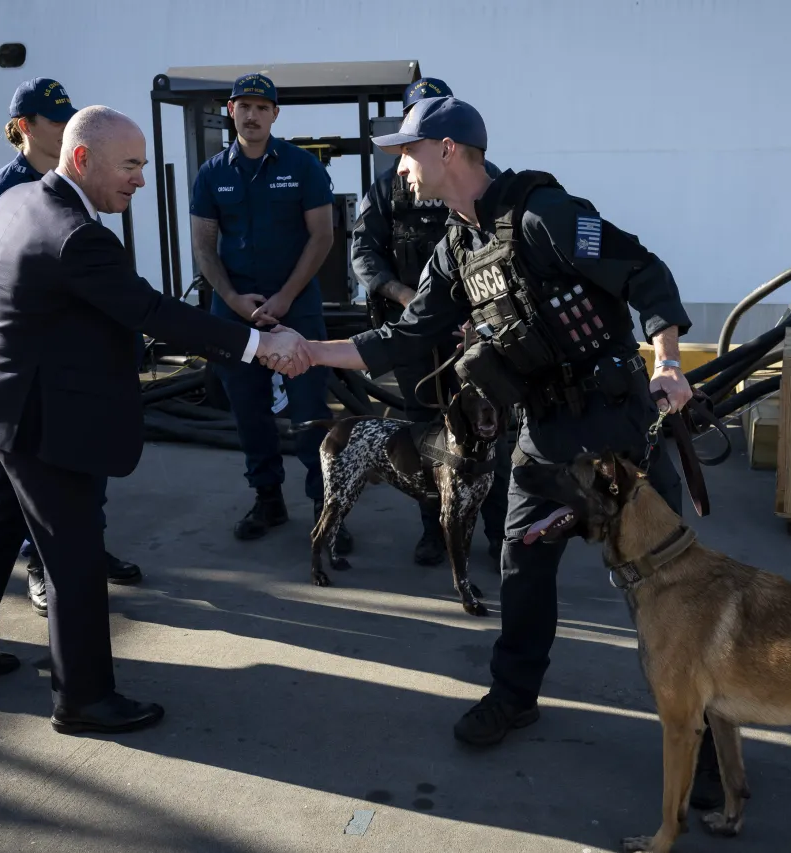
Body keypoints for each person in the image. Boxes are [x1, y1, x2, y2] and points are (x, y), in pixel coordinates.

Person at [293, 96, 723, 807]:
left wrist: (668, 361)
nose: (399, 167)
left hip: (617, 426)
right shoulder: (455, 248)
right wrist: (311, 353)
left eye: (408, 151)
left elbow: (643, 271)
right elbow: (403, 336)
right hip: (546, 433)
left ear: (450, 151)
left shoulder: (542, 213)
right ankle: (515, 693)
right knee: (522, 563)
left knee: (668, 585)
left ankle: (702, 739)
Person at [0, 105, 312, 735]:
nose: (139, 179)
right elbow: (152, 310)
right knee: (73, 557)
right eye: (129, 165)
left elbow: (15, 293)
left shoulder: (15, 201)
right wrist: (258, 346)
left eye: (142, 165)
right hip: (38, 418)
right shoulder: (80, 235)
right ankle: (84, 700)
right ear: (82, 160)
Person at [0, 77, 142, 615]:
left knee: (52, 502)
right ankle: (45, 572)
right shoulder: (1, 193)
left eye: (67, 118)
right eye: (52, 119)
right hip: (26, 382)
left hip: (59, 379)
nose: (62, 127)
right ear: (23, 128)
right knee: (33, 507)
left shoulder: (72, 180)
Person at [189, 73, 351, 553]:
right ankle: (268, 499)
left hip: (295, 307)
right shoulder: (211, 173)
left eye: (262, 107)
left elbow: (322, 236)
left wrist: (283, 298)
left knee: (308, 411)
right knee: (248, 410)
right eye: (244, 106)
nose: (253, 115)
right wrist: (235, 300)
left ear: (275, 114)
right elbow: (203, 246)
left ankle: (327, 508)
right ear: (231, 111)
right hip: (233, 311)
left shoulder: (302, 167)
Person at [351, 76, 509, 566]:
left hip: (474, 333)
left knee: (489, 427)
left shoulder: (488, 179)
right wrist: (405, 296)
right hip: (413, 332)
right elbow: (363, 252)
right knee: (423, 431)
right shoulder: (386, 188)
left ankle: (500, 531)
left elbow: (503, 254)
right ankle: (436, 530)